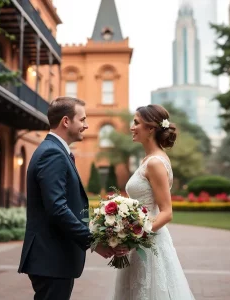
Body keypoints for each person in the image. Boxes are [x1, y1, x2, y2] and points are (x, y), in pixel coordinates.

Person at [18, 97, 115, 300]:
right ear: (66, 121)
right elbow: (57, 208)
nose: (86, 125)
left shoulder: (56, 150)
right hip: (51, 259)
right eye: (82, 120)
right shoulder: (52, 153)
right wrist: (94, 242)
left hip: (54, 259)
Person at [112, 104, 195, 300]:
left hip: (149, 245)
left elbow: (166, 212)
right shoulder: (147, 159)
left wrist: (134, 237)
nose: (132, 127)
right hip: (140, 240)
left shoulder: (155, 163)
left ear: (150, 128)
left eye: (136, 123)